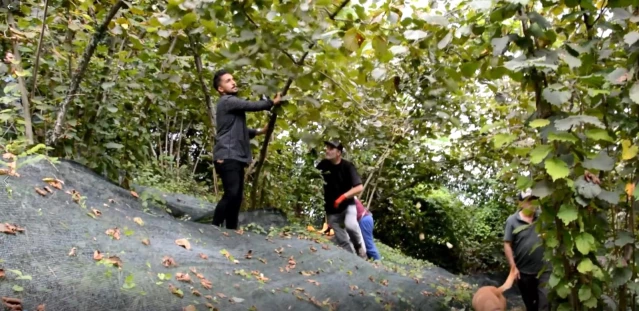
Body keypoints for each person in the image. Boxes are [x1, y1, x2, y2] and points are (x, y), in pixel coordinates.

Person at [211, 69, 281, 229]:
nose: (233, 82)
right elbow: (250, 105)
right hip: (227, 155)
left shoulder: (231, 108)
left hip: (234, 156)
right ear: (220, 89)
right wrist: (271, 103)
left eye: (233, 79)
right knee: (231, 194)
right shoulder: (227, 101)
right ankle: (213, 228)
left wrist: (259, 131)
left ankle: (231, 230)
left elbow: (238, 130)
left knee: (236, 197)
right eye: (228, 80)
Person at [315, 140, 367, 258]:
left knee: (351, 225)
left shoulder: (347, 166)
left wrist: (342, 197)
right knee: (342, 239)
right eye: (327, 148)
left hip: (348, 205)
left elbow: (359, 187)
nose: (327, 150)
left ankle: (360, 249)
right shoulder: (324, 164)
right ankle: (353, 259)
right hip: (331, 210)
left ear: (338, 152)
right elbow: (311, 175)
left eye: (331, 148)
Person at [503, 188, 551, 311]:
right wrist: (513, 267)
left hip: (544, 269)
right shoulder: (512, 221)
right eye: (528, 201)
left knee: (544, 303)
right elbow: (507, 244)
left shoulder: (543, 218)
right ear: (520, 203)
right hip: (524, 272)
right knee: (530, 304)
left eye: (534, 200)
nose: (532, 204)